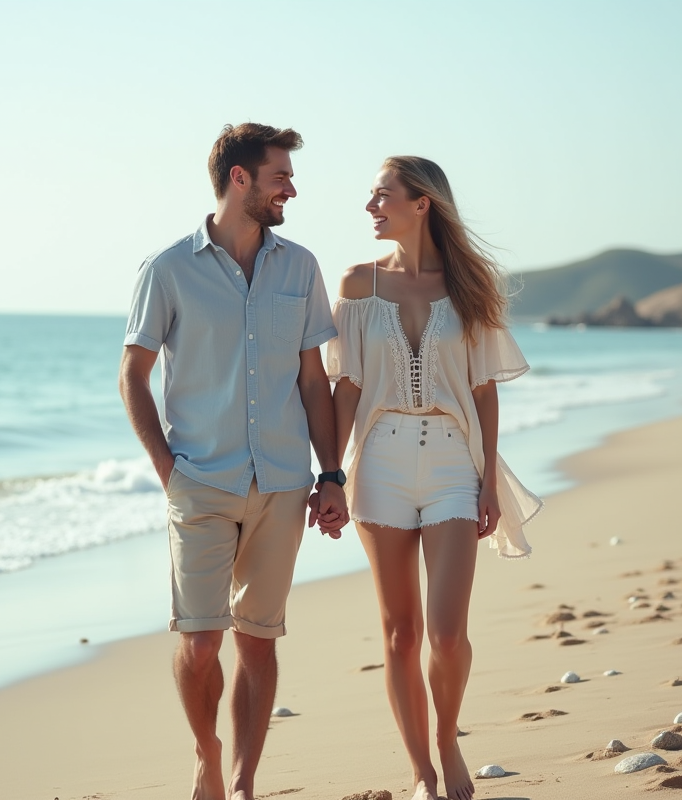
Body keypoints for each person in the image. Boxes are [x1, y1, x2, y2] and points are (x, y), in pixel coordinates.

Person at [119, 123, 349, 800]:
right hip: (201, 483)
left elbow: (313, 381)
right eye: (281, 176)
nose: (292, 189)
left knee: (258, 639)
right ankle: (207, 753)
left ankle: (245, 784)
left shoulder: (299, 265)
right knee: (199, 645)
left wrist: (330, 474)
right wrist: (170, 473)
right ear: (240, 179)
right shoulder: (167, 270)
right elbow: (132, 377)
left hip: (282, 484)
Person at [326, 156, 541, 800]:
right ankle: (422, 771)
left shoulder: (469, 285)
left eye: (382, 195)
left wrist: (485, 480)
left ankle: (447, 742)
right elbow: (347, 387)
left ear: (422, 204)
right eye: (371, 196)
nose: (370, 206)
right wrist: (331, 474)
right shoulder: (357, 284)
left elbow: (484, 391)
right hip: (381, 463)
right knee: (401, 631)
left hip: (452, 461)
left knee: (447, 635)